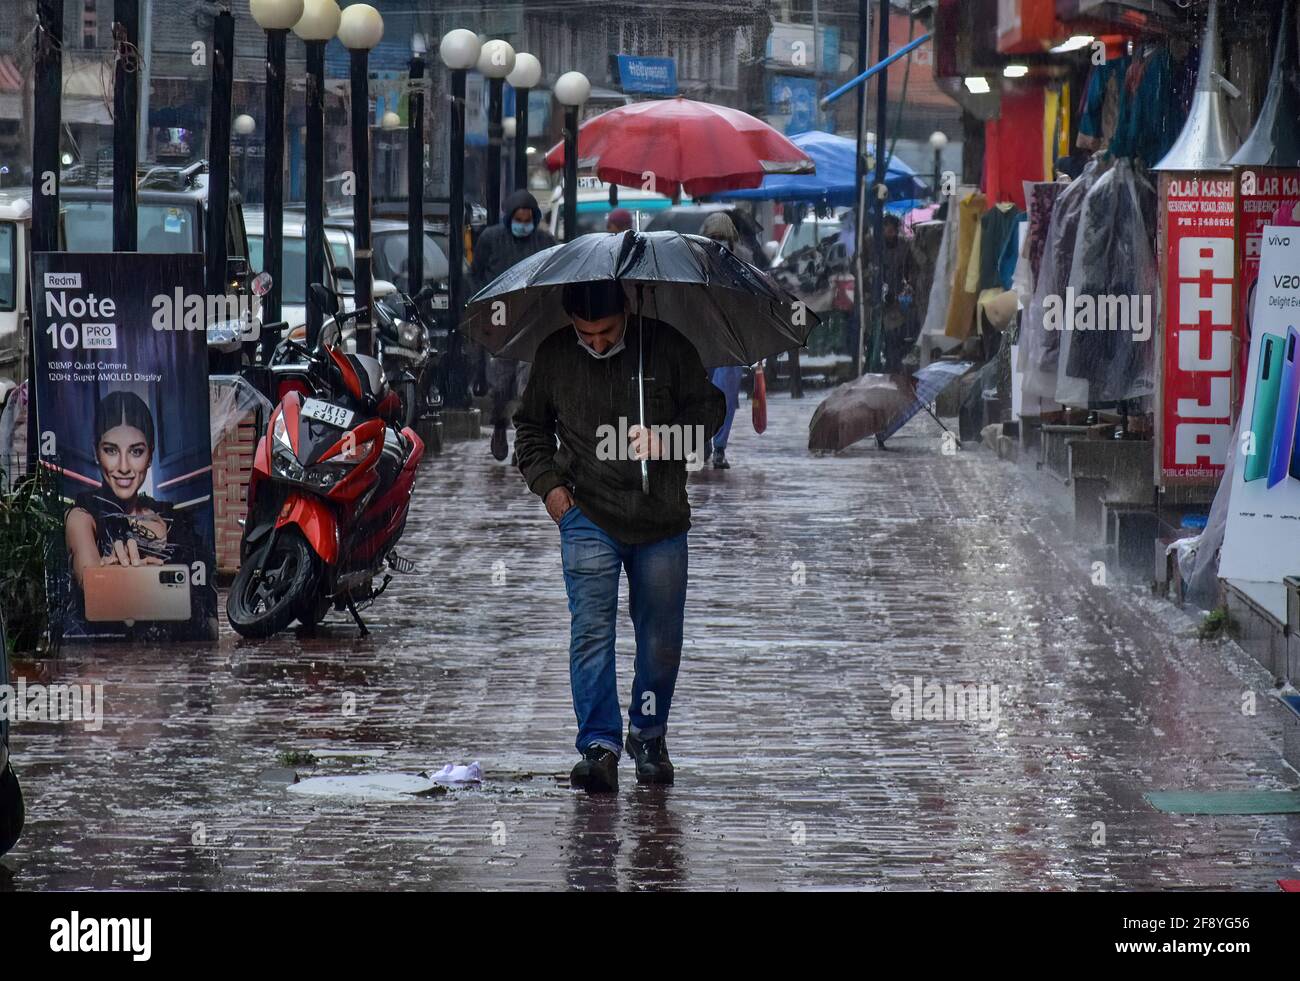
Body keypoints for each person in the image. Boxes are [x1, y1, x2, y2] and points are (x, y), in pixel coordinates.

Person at [514, 280, 726, 792]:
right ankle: (599, 745)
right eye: (585, 333)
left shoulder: (668, 346)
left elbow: (711, 410)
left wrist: (667, 438)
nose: (598, 343)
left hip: (661, 520)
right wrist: (553, 495)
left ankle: (648, 736)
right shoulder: (555, 356)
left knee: (660, 640)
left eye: (606, 332)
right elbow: (531, 431)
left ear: (626, 312)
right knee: (591, 632)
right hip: (586, 514)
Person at [64, 391, 213, 637]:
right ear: (95, 452)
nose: (123, 467)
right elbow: (92, 590)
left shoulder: (170, 517)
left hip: (181, 660)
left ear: (150, 454)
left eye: (136, 451)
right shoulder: (82, 518)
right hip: (114, 660)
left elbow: (203, 603)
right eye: (111, 450)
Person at [471, 189, 556, 461]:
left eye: (528, 218)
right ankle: (499, 425)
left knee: (527, 383)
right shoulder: (491, 239)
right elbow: (477, 275)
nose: (523, 224)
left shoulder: (544, 241)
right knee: (500, 382)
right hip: (499, 321)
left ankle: (524, 439)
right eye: (518, 218)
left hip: (532, 321)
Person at [699, 212, 746, 469]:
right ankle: (705, 437)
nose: (716, 242)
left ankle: (719, 446)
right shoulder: (694, 259)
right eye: (712, 237)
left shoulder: (743, 262)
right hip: (701, 337)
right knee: (701, 391)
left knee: (726, 394)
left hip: (730, 339)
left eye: (721, 237)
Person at [877, 213, 919, 372]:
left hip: (900, 296)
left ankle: (896, 365)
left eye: (892, 229)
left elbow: (911, 269)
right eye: (886, 229)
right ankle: (889, 363)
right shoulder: (876, 246)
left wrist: (909, 286)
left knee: (900, 333)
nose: (890, 233)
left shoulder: (904, 246)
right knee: (887, 335)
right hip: (880, 295)